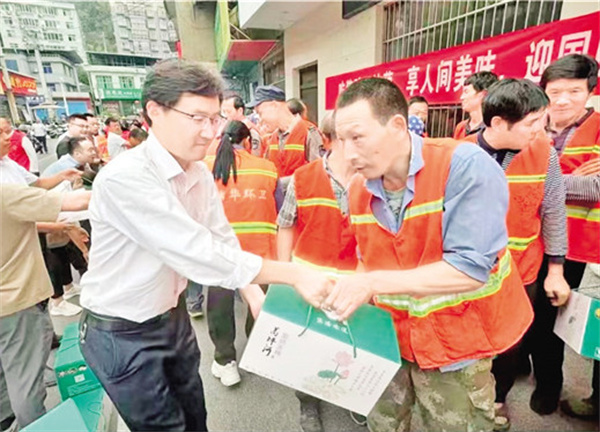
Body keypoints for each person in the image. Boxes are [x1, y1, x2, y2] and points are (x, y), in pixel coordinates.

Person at [78, 58, 332, 432]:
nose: (209, 131)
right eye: (196, 118)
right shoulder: (126, 178)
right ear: (155, 111)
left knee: (195, 413)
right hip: (123, 331)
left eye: (215, 119)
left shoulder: (197, 172)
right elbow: (197, 252)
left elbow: (221, 238)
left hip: (171, 315)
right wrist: (294, 274)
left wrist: (255, 295)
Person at [323, 78, 533, 432]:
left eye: (357, 137)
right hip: (390, 337)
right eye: (340, 141)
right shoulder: (359, 187)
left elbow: (469, 269)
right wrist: (347, 293)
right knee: (384, 425)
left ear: (397, 126)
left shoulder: (462, 165)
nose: (348, 154)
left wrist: (371, 283)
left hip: (457, 343)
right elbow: (367, 256)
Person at [464, 78, 570, 429]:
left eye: (542, 120)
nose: (541, 129)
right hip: (467, 273)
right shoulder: (458, 153)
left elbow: (553, 211)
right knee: (469, 337)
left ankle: (498, 397)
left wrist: (556, 269)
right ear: (498, 123)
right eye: (532, 122)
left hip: (520, 272)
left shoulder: (544, 154)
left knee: (510, 342)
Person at [0, 142, 91, 431]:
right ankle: (34, 425)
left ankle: (5, 419)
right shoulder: (6, 194)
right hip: (15, 301)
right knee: (26, 379)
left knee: (4, 373)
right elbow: (75, 202)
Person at [277, 111, 358, 432]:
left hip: (355, 283)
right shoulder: (303, 178)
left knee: (353, 343)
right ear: (327, 140)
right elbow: (286, 225)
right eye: (345, 139)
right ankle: (308, 401)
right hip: (310, 282)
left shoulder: (372, 177)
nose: (354, 147)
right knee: (309, 345)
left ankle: (353, 395)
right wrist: (285, 276)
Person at [200, 120, 282, 387]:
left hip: (220, 252)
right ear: (247, 141)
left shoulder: (205, 167)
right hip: (260, 251)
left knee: (220, 306)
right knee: (258, 304)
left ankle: (226, 362)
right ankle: (256, 351)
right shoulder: (267, 168)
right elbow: (279, 208)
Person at [540, 54, 600, 419]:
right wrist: (574, 181)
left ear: (589, 92)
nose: (562, 100)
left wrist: (542, 182)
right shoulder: (534, 124)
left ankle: (594, 400)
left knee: (588, 326)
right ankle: (547, 388)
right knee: (542, 322)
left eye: (574, 91)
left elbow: (597, 189)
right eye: (555, 91)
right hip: (537, 241)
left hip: (586, 248)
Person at [248, 86, 323, 185]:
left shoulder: (309, 133)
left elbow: (318, 174)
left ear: (274, 105)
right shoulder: (273, 138)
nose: (260, 120)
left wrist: (282, 184)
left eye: (260, 113)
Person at [454, 72, 499, 139]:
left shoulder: (494, 128)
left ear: (484, 94)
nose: (462, 97)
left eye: (466, 92)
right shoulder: (461, 127)